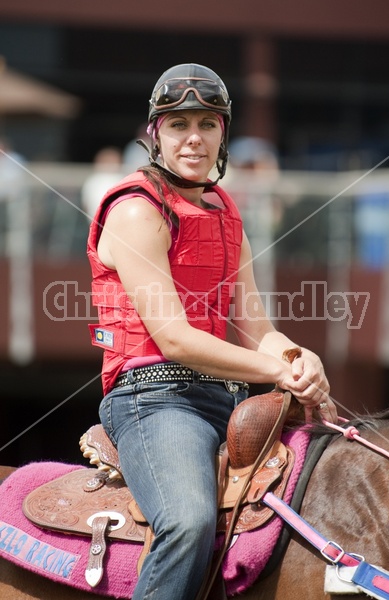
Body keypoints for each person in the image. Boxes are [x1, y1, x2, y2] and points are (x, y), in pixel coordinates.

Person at [87, 63, 336, 600]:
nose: (194, 138)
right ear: (156, 134)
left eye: (207, 123)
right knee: (187, 522)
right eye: (178, 124)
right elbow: (173, 338)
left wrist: (297, 358)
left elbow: (256, 330)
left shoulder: (226, 212)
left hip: (224, 398)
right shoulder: (135, 210)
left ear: (224, 131)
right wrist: (276, 371)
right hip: (152, 400)